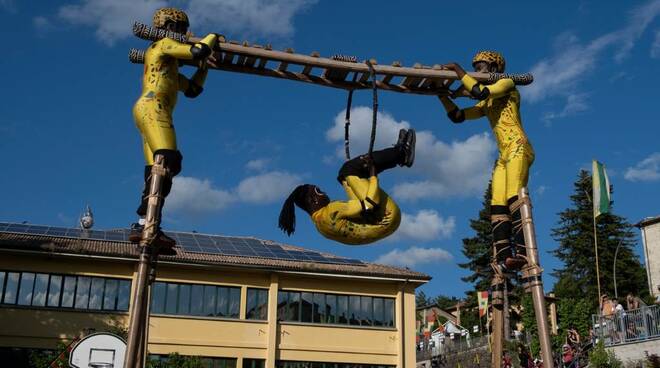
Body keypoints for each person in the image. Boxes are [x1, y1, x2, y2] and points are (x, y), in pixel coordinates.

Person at [129, 8, 219, 250]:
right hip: (152, 108)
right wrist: (213, 36)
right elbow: (198, 49)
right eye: (179, 28)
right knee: (169, 160)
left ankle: (145, 223)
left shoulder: (169, 69)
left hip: (151, 110)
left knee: (155, 169)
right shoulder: (162, 45)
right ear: (169, 28)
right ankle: (147, 221)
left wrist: (204, 69)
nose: (183, 33)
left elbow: (192, 90)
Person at [438, 51, 534, 273]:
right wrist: (442, 96)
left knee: (513, 196)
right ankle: (504, 256)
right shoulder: (489, 101)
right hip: (503, 155)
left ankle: (522, 251)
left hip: (518, 146)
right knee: (497, 203)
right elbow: (458, 117)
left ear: (493, 68)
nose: (476, 71)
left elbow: (478, 91)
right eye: (474, 67)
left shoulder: (507, 84)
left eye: (480, 67)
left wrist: (457, 70)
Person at [278, 129, 416, 245]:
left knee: (345, 177)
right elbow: (369, 204)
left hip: (378, 222)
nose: (324, 193)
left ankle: (398, 156)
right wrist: (373, 175)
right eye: (319, 192)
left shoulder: (321, 225)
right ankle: (402, 154)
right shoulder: (331, 211)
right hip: (386, 215)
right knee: (349, 170)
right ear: (313, 201)